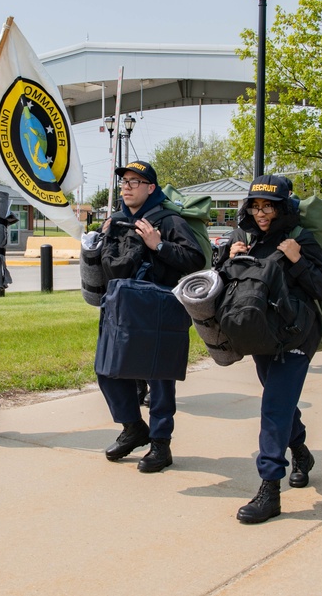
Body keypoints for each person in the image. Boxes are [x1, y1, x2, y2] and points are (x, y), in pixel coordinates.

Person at [217, 175, 322, 524]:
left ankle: (270, 488)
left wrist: (298, 260)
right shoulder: (244, 239)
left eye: (269, 206)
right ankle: (300, 450)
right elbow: (222, 286)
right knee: (280, 402)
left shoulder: (300, 239)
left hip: (298, 335)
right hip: (262, 335)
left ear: (283, 207)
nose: (261, 213)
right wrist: (227, 258)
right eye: (255, 206)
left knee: (274, 406)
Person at [97, 161, 205, 472]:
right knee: (107, 370)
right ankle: (133, 428)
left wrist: (158, 245)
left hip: (158, 310)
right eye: (124, 182)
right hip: (121, 308)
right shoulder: (116, 221)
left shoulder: (168, 220)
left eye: (135, 181)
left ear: (151, 188)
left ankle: (161, 444)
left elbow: (194, 259)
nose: (127, 187)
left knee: (159, 379)